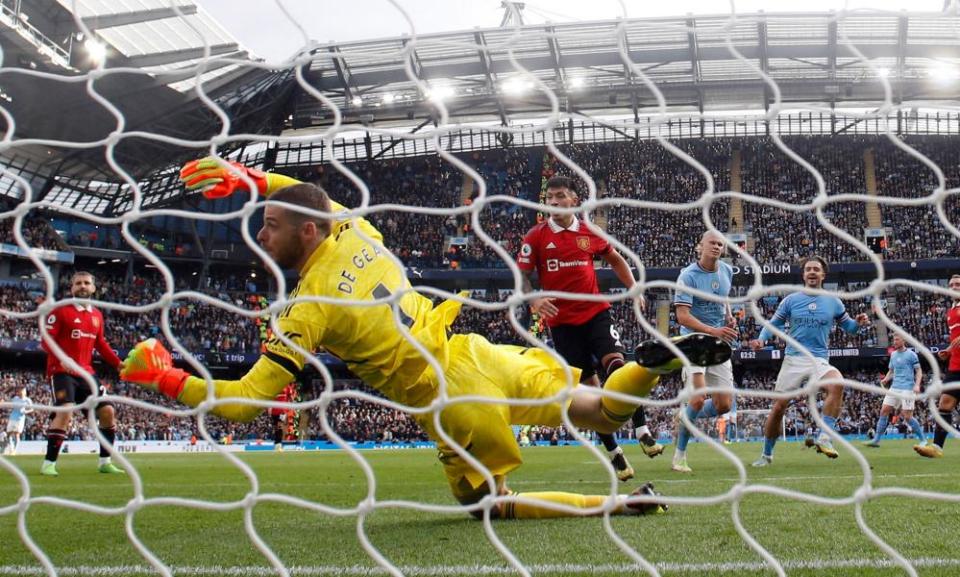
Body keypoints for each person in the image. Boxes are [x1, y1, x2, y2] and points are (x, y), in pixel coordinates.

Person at [120, 158, 731, 519]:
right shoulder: (355, 230)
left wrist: (165, 377)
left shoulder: (306, 310)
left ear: (306, 233)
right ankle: (654, 367)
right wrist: (248, 177)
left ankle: (616, 505)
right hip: (472, 349)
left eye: (271, 226)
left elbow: (244, 401)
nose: (262, 235)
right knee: (600, 408)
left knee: (485, 504)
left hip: (450, 400)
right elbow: (309, 199)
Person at [517, 175, 662, 483]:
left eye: (560, 196)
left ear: (574, 201)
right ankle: (615, 454)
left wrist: (634, 288)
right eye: (549, 197)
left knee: (618, 366)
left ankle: (642, 430)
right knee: (591, 393)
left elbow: (616, 259)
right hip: (563, 325)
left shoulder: (589, 232)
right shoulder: (536, 236)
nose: (553, 201)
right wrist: (534, 299)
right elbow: (522, 277)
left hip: (596, 313)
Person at [748, 256, 870, 466]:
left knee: (837, 383)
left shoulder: (834, 302)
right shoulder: (791, 300)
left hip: (818, 360)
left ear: (823, 274)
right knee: (778, 408)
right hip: (793, 359)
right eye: (808, 269)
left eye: (816, 269)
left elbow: (849, 328)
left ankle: (825, 437)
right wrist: (761, 339)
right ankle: (766, 455)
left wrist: (858, 324)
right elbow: (773, 324)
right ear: (804, 275)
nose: (812, 272)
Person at [40, 271, 126, 476]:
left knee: (108, 412)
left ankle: (105, 462)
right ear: (72, 288)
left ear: (93, 288)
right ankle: (49, 463)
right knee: (66, 410)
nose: (82, 286)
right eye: (78, 283)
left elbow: (101, 343)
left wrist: (118, 364)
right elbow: (46, 339)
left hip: (87, 374)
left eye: (87, 283)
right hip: (61, 371)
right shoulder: (60, 311)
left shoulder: (96, 315)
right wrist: (63, 358)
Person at [670, 231, 736, 474]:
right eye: (712, 243)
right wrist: (714, 330)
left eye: (720, 243)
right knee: (698, 398)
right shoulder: (688, 276)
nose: (717, 247)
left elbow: (724, 297)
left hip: (718, 341)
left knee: (723, 406)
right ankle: (679, 457)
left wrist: (728, 315)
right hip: (695, 340)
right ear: (700, 246)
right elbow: (682, 316)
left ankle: (687, 416)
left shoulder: (726, 271)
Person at [915, 274, 960, 458]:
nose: (954, 286)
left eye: (958, 284)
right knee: (944, 405)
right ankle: (937, 448)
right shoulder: (951, 311)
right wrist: (949, 351)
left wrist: (951, 347)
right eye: (951, 284)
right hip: (956, 366)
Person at [863, 333, 925, 448]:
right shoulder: (893, 355)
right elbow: (891, 371)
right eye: (894, 340)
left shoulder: (912, 355)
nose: (894, 342)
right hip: (894, 387)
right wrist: (886, 379)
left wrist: (917, 385)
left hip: (908, 388)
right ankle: (876, 440)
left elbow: (919, 371)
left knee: (907, 417)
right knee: (884, 411)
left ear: (903, 341)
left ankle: (923, 440)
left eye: (897, 340)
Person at [3, 387, 33, 455]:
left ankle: (14, 451)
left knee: (17, 434)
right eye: (20, 391)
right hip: (12, 417)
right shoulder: (15, 398)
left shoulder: (27, 400)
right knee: (8, 434)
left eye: (22, 391)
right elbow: (9, 402)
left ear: (25, 392)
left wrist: (26, 411)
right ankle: (11, 448)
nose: (21, 392)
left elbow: (32, 409)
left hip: (20, 419)